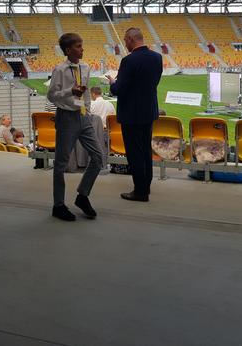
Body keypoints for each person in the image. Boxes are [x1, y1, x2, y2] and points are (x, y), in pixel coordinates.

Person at [47, 32, 102, 221]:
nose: (82, 49)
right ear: (68, 50)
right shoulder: (60, 69)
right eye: (78, 46)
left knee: (98, 157)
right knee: (61, 164)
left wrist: (87, 108)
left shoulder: (85, 67)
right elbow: (52, 96)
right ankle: (58, 205)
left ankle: (82, 195)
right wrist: (70, 91)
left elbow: (85, 92)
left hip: (83, 117)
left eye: (82, 45)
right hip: (66, 118)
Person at [107, 28, 162, 202]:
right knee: (145, 150)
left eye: (125, 40)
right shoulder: (157, 57)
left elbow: (119, 90)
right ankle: (146, 186)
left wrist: (112, 82)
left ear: (131, 39)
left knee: (134, 153)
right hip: (149, 111)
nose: (125, 43)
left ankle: (140, 192)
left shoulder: (128, 61)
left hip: (132, 114)